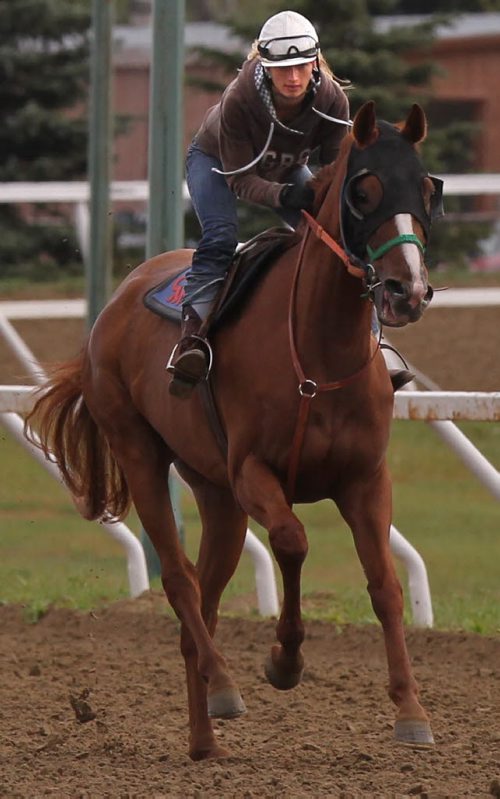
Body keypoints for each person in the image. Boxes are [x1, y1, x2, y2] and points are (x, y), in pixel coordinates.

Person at [168, 9, 351, 398]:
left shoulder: (333, 101)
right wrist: (284, 194)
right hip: (216, 163)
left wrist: (318, 195)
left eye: (302, 66)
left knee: (336, 237)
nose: (293, 78)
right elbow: (239, 180)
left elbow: (335, 169)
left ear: (315, 62)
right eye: (282, 69)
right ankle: (191, 340)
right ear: (264, 67)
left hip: (287, 168)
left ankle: (371, 342)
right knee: (220, 236)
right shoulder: (239, 99)